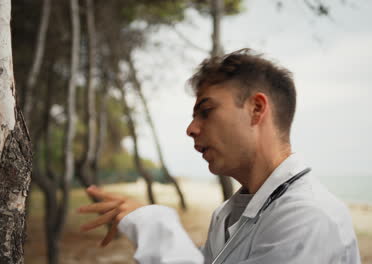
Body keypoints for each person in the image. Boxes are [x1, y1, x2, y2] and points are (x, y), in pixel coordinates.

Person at [77, 49, 361, 263]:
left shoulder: (309, 218)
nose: (190, 129)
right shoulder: (227, 216)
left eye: (206, 111)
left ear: (256, 109)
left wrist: (154, 226)